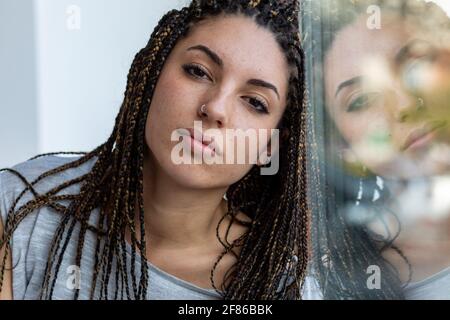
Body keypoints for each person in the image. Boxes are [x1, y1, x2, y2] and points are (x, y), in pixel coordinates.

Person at [0, 0, 317, 300]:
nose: (216, 108)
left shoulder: (278, 285)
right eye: (198, 71)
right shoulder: (20, 206)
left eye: (254, 102)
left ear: (270, 146)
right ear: (151, 74)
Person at [305, 0, 450, 299]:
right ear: (343, 147)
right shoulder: (336, 283)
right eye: (361, 100)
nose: (404, 107)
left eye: (414, 64)